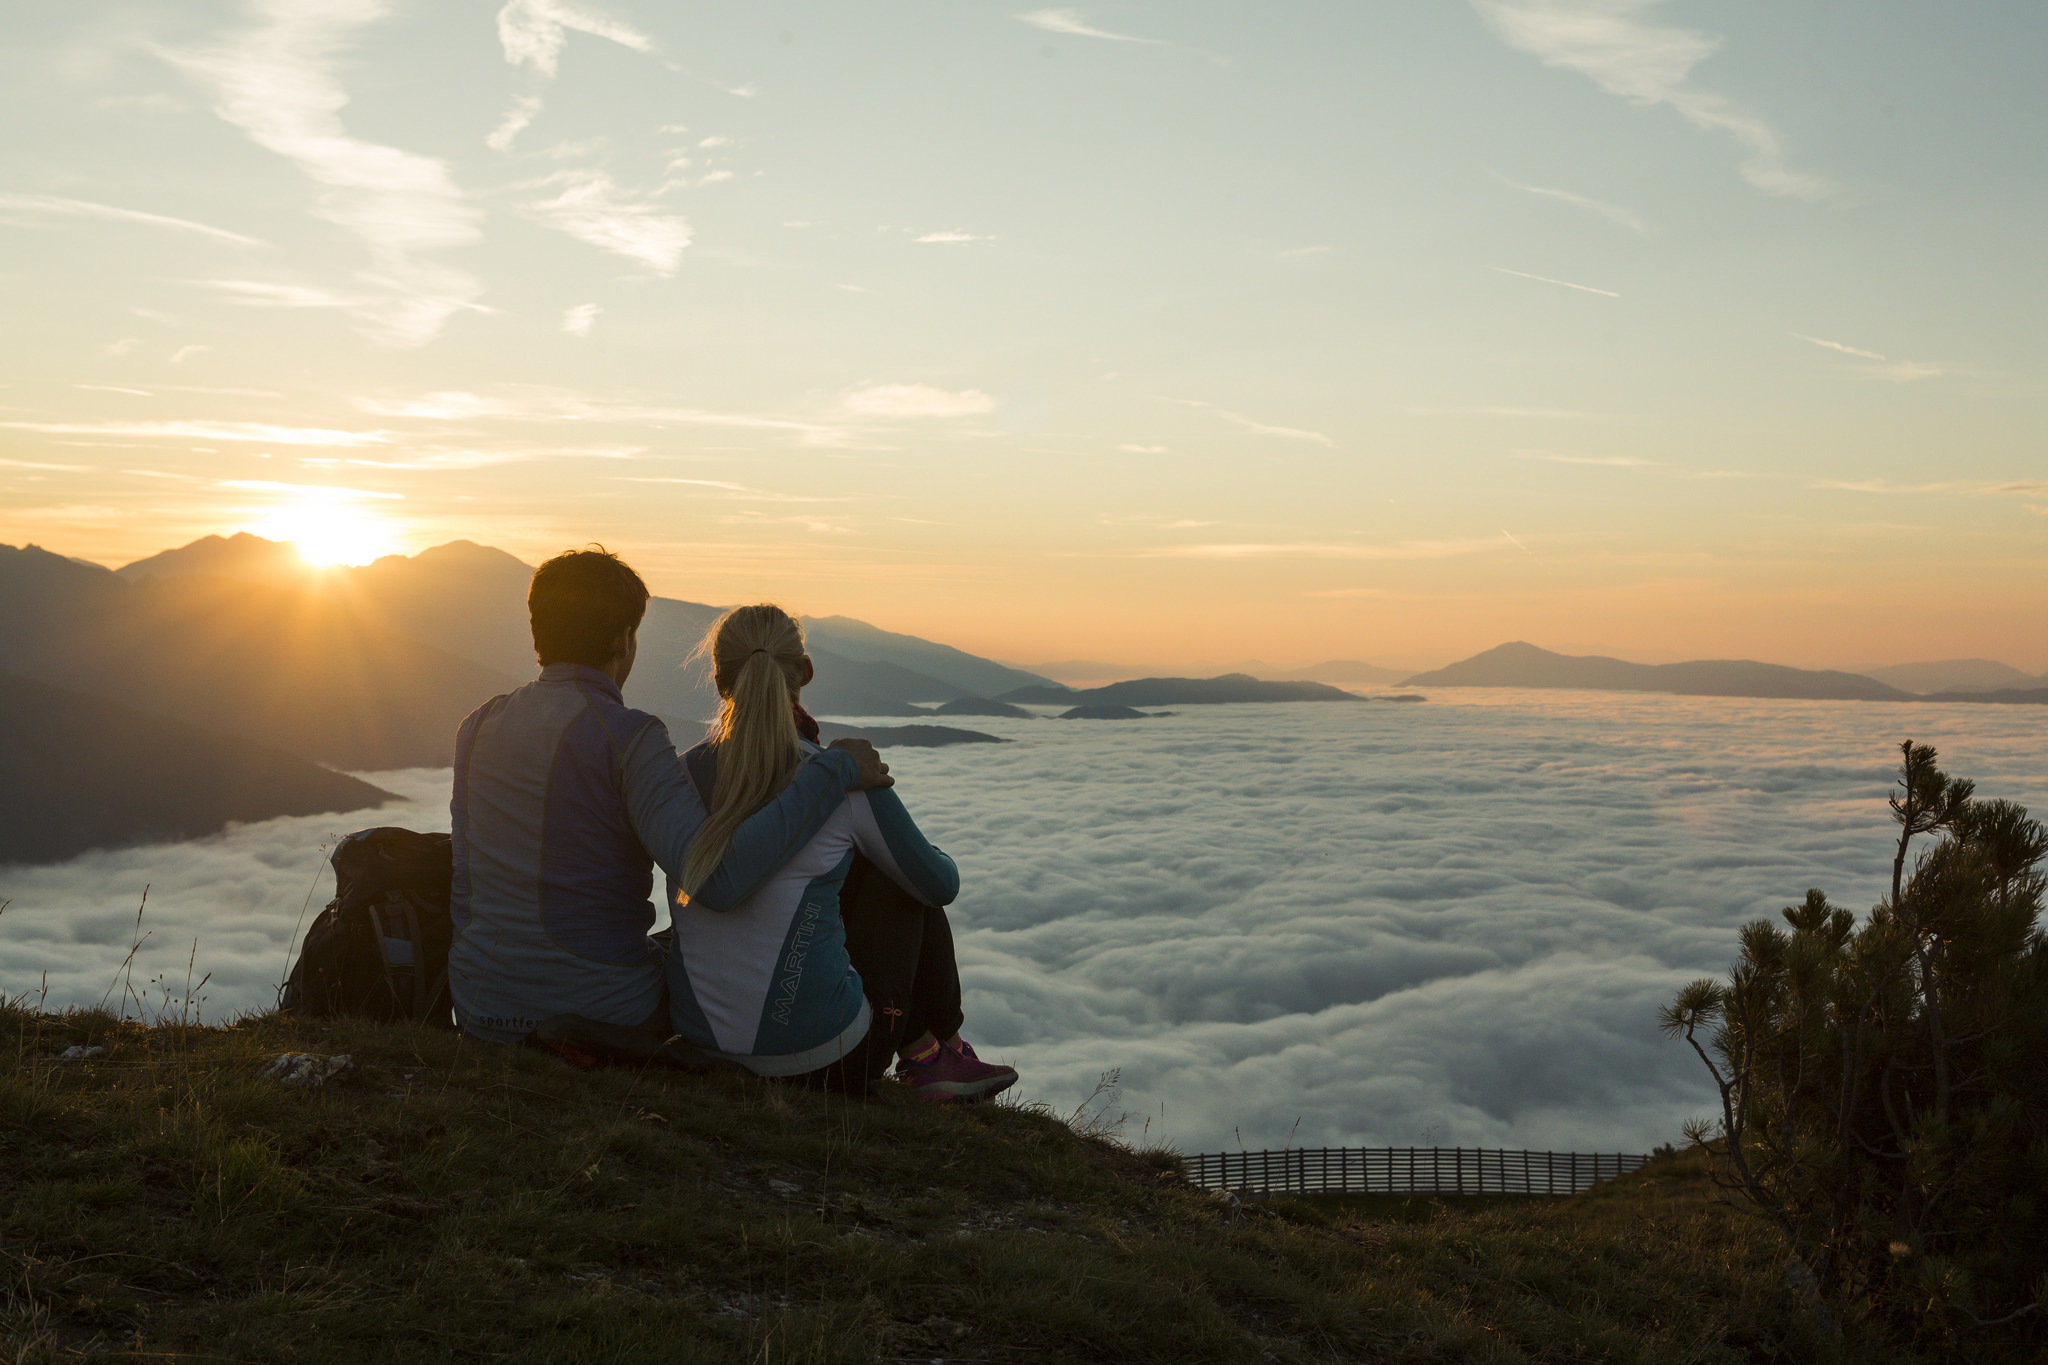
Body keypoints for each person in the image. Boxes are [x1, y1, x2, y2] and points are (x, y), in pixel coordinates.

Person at [447, 548, 893, 1044]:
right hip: (602, 1011)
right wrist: (831, 771)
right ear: (624, 639)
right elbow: (718, 883)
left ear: (537, 632)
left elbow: (465, 879)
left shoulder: (478, 724)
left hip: (479, 1005)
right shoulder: (628, 738)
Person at [666, 603, 1017, 1101]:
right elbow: (940, 885)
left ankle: (937, 1051)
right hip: (822, 1061)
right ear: (805, 673)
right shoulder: (844, 780)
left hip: (700, 1045)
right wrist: (918, 848)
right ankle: (937, 1054)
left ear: (719, 678)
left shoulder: (676, 779)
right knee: (898, 879)